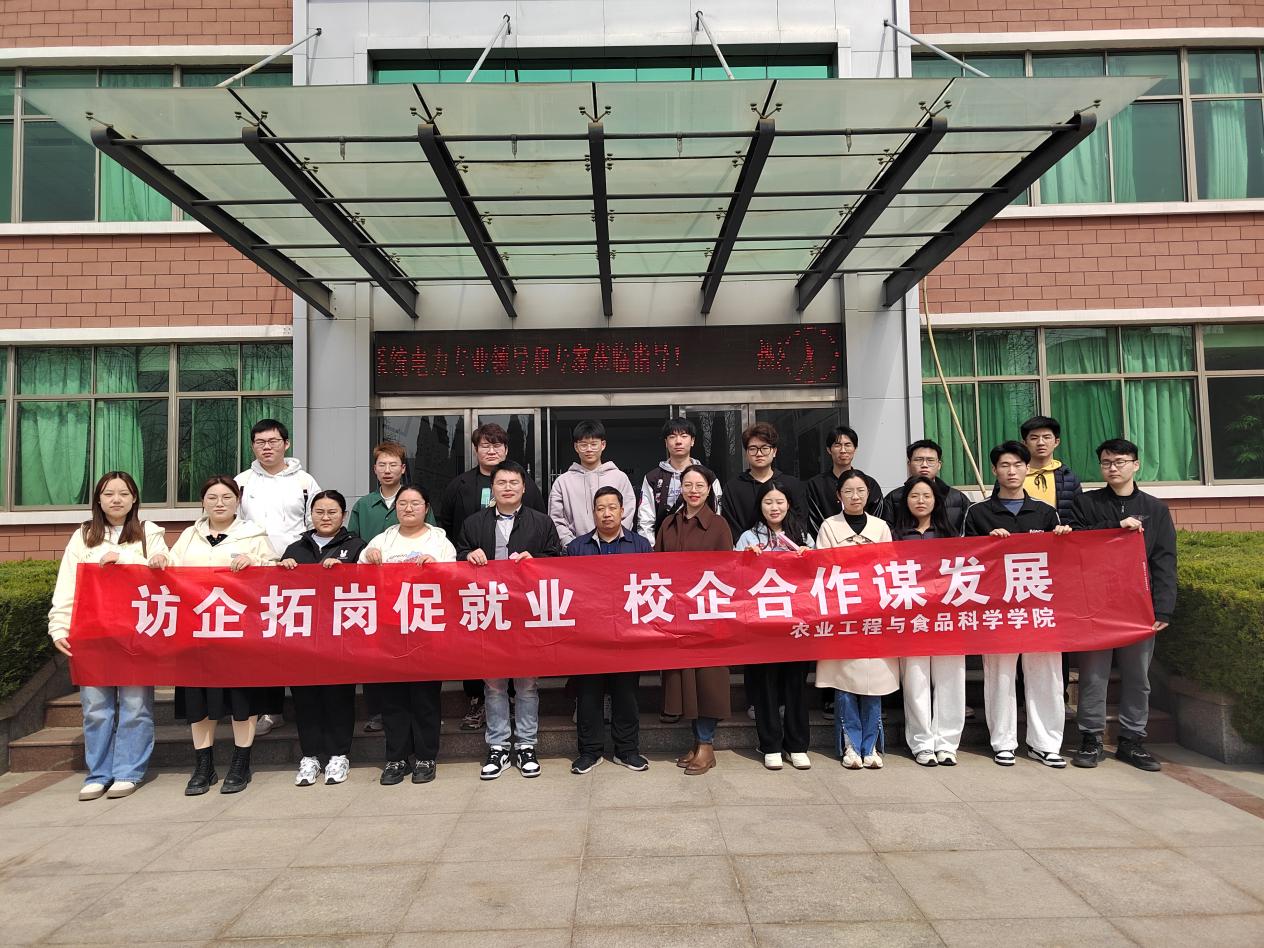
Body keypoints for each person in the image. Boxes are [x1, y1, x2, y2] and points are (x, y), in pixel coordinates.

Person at [48, 471, 168, 801]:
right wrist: (58, 625)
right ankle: (98, 773)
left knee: (135, 706)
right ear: (98, 500)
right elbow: (67, 584)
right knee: (95, 708)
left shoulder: (149, 532)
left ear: (134, 499)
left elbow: (165, 568)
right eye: (109, 493)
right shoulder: (83, 535)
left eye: (123, 493)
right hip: (92, 635)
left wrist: (125, 557)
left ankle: (128, 771)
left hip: (136, 635)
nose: (116, 499)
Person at [962, 441, 1073, 768]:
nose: (1011, 471)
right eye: (1004, 465)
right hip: (997, 610)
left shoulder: (1045, 512)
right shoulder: (978, 513)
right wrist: (986, 544)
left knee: (1046, 677)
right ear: (994, 471)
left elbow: (1061, 562)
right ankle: (1003, 742)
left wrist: (1063, 537)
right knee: (1000, 676)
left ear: (1027, 469)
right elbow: (964, 561)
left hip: (1038, 608)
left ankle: (1046, 744)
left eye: (1017, 465)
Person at [164, 476, 278, 795]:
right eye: (212, 497)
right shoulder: (189, 536)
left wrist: (255, 562)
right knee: (198, 701)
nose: (219, 503)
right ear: (202, 501)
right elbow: (170, 570)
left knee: (242, 700)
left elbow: (275, 572)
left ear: (237, 501)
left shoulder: (253, 534)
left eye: (227, 497)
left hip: (240, 635)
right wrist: (158, 561)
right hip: (197, 635)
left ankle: (241, 764)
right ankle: (204, 766)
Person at [1070, 439, 1177, 772]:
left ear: (1136, 465)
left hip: (1138, 606)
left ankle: (1132, 740)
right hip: (1096, 604)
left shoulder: (1155, 509)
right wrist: (1115, 527)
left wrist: (1163, 608)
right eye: (1106, 463)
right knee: (1093, 675)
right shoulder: (1085, 503)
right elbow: (1075, 542)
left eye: (1119, 461)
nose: (1113, 468)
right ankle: (1090, 738)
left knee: (1137, 676)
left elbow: (1164, 560)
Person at [457, 461, 565, 780]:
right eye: (501, 482)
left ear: (523, 487)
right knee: (493, 684)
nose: (507, 488)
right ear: (493, 487)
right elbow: (457, 559)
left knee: (527, 684)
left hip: (526, 614)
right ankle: (498, 746)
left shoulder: (541, 522)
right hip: (490, 613)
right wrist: (468, 556)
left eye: (513, 482)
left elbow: (557, 559)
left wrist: (537, 560)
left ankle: (527, 745)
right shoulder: (474, 523)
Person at [439, 423, 546, 734]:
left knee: (518, 645)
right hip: (475, 583)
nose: (491, 450)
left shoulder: (526, 485)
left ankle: (514, 700)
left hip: (519, 587)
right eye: (485, 445)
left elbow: (540, 526)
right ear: (475, 450)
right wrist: (464, 555)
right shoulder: (459, 485)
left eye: (497, 445)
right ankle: (476, 700)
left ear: (506, 449)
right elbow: (448, 527)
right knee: (477, 643)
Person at [361, 485, 458, 786]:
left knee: (425, 697)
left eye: (415, 503)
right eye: (402, 503)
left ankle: (426, 756)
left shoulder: (440, 541)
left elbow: (454, 579)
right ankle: (396, 757)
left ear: (426, 507)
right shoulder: (382, 540)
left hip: (426, 630)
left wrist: (436, 567)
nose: (408, 508)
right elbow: (359, 577)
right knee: (393, 698)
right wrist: (368, 557)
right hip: (389, 630)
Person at [235, 418, 321, 736]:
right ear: (253, 446)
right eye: (260, 442)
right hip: (255, 573)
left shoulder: (304, 481)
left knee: (298, 640)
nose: (267, 447)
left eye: (273, 441)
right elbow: (231, 524)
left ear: (286, 444)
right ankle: (269, 710)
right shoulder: (242, 483)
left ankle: (306, 708)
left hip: (296, 573)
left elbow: (316, 523)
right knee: (263, 643)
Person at [278, 490, 368, 787]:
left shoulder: (356, 546)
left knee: (338, 696)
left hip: (341, 636)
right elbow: (278, 592)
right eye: (319, 512)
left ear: (344, 515)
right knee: (306, 698)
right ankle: (310, 756)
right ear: (310, 515)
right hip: (303, 637)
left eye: (332, 512)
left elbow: (370, 584)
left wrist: (346, 573)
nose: (325, 517)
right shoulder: (295, 548)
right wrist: (283, 571)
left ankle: (339, 754)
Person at [566, 486, 653, 774]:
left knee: (626, 694)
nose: (606, 513)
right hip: (589, 636)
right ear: (593, 513)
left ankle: (627, 750)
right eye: (600, 508)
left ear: (622, 511)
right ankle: (590, 751)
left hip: (627, 635)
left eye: (612, 507)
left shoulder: (640, 545)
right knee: (588, 695)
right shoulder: (577, 548)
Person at [814, 471, 899, 768]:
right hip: (844, 614)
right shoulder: (829, 526)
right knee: (845, 681)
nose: (855, 496)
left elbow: (889, 568)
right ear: (838, 496)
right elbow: (823, 568)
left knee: (875, 681)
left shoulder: (881, 527)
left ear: (869, 494)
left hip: (874, 614)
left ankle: (871, 746)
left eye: (860, 490)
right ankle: (850, 745)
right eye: (848, 491)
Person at [655, 464, 733, 776]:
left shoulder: (719, 525)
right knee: (684, 681)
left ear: (708, 489)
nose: (693, 491)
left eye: (699, 485)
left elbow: (726, 572)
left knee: (707, 680)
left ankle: (707, 745)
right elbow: (656, 570)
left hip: (707, 616)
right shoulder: (669, 524)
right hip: (677, 615)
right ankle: (697, 742)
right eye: (687, 485)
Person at [733, 477, 814, 771]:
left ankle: (797, 745)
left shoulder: (802, 534)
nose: (774, 507)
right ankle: (770, 744)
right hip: (761, 625)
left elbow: (816, 577)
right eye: (768, 502)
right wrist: (746, 560)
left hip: (796, 624)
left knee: (795, 685)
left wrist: (808, 558)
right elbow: (734, 578)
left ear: (789, 504)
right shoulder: (748, 538)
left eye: (780, 502)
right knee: (765, 685)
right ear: (760, 506)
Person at [892, 476, 965, 767]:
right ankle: (921, 742)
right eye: (914, 496)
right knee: (915, 681)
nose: (920, 501)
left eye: (926, 496)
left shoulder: (951, 534)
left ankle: (947, 743)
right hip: (912, 619)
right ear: (905, 501)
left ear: (936, 500)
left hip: (947, 617)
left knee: (951, 680)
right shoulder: (896, 535)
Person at [347, 440, 409, 735]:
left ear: (403, 468)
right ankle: (377, 712)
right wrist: (365, 552)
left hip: (408, 590)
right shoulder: (363, 505)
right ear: (374, 469)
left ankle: (410, 708)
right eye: (382, 465)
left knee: (408, 649)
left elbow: (432, 536)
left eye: (393, 464)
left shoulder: (413, 500)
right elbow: (352, 541)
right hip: (373, 589)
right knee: (374, 651)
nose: (387, 470)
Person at [549, 420, 636, 546]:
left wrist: (614, 540)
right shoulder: (562, 482)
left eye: (594, 444)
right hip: (575, 550)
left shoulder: (619, 478)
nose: (589, 449)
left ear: (603, 445)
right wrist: (572, 545)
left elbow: (628, 512)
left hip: (616, 548)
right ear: (576, 447)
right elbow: (556, 519)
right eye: (583, 445)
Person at [636, 417, 723, 543]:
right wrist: (651, 549)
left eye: (684, 436)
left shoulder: (708, 476)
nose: (678, 441)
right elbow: (645, 520)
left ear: (692, 441)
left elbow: (717, 513)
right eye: (672, 437)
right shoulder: (653, 478)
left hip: (703, 545)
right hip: (665, 546)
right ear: (666, 442)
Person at [722, 422, 808, 540]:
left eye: (765, 448)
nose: (759, 454)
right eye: (753, 449)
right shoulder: (733, 488)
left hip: (788, 548)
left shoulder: (792, 484)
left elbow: (801, 519)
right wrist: (748, 545)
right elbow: (730, 525)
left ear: (774, 451)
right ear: (746, 453)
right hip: (747, 548)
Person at [882, 440, 970, 536]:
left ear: (939, 465)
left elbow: (968, 534)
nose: (924, 465)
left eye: (930, 460)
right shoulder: (893, 498)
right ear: (909, 464)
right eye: (918, 460)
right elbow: (885, 534)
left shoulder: (958, 498)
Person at [805, 425, 883, 533]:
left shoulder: (869, 483)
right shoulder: (815, 485)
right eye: (837, 445)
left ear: (855, 449)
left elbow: (877, 520)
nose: (843, 450)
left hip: (865, 541)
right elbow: (813, 521)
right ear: (829, 450)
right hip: (827, 540)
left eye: (847, 445)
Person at [1021, 415, 1083, 526]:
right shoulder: (1014, 475)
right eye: (1034, 438)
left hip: (1059, 535)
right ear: (1024, 443)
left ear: (1056, 442)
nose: (1041, 442)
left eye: (1046, 437)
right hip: (1023, 535)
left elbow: (1080, 515)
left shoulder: (1068, 477)